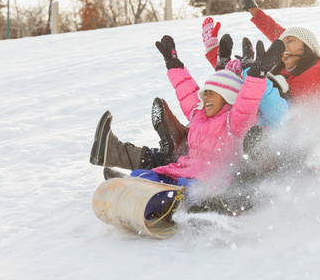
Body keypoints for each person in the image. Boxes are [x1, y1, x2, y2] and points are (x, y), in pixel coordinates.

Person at [90, 34, 285, 205]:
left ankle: (154, 199)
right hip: (183, 169)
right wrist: (172, 62)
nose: (205, 97)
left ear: (228, 97)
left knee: (174, 191)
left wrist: (257, 73)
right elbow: (186, 90)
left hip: (207, 181)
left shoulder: (234, 121)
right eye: (205, 93)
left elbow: (247, 101)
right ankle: (132, 184)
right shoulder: (199, 114)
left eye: (212, 93)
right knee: (152, 175)